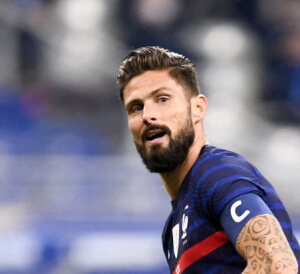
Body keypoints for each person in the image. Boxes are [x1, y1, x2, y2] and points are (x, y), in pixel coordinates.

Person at [117, 46, 300, 273]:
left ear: (197, 108)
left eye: (162, 99)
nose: (148, 116)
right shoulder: (173, 226)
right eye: (136, 107)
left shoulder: (216, 174)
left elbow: (277, 266)